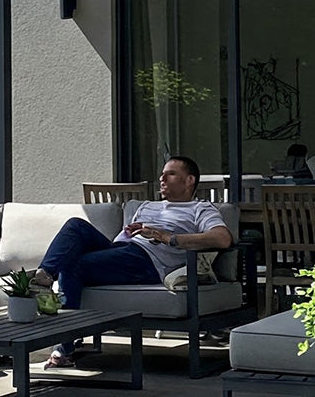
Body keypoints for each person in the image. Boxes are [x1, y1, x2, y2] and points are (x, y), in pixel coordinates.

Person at [30, 155, 232, 369]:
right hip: (125, 251)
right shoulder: (147, 206)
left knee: (73, 265)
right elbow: (123, 241)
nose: (162, 178)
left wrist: (167, 237)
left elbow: (222, 238)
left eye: (170, 174)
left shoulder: (200, 209)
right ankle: (44, 276)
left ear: (190, 180)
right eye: (162, 174)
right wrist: (129, 233)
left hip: (149, 261)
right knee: (75, 226)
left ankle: (64, 348)